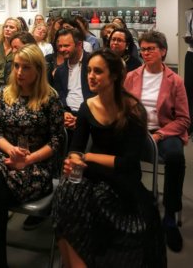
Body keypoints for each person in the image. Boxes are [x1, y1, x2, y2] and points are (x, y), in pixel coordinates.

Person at [52, 49, 167, 268]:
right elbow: (76, 149)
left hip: (122, 182)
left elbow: (127, 163)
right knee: (66, 194)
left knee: (83, 201)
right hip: (93, 175)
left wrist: (87, 157)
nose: (91, 76)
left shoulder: (133, 110)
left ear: (113, 76)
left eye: (98, 72)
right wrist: (73, 164)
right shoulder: (88, 107)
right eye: (89, 71)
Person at [0, 43, 64, 268]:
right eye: (16, 67)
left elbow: (57, 141)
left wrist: (27, 159)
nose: (20, 72)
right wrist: (10, 150)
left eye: (26, 68)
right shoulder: (6, 94)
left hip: (36, 165)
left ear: (38, 71)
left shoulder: (49, 98)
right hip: (5, 156)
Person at [125, 30, 190, 253]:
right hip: (138, 131)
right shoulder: (131, 76)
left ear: (163, 51)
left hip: (164, 131)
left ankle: (170, 216)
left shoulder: (175, 81)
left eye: (151, 49)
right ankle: (134, 205)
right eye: (142, 49)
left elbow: (183, 119)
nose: (145, 53)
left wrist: (160, 135)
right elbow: (124, 109)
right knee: (117, 152)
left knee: (175, 157)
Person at [53, 28, 94, 134]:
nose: (62, 49)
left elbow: (98, 95)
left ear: (79, 44)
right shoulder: (60, 71)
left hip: (90, 113)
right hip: (68, 115)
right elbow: (60, 97)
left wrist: (82, 117)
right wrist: (65, 113)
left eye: (66, 46)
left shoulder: (92, 63)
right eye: (60, 46)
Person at [0, 17, 22, 86]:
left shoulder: (20, 48)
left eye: (11, 27)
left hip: (13, 85)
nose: (7, 29)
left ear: (18, 31)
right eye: (5, 27)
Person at [183, 7, 193, 134]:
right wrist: (188, 38)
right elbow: (188, 32)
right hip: (191, 54)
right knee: (189, 89)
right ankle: (190, 125)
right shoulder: (189, 13)